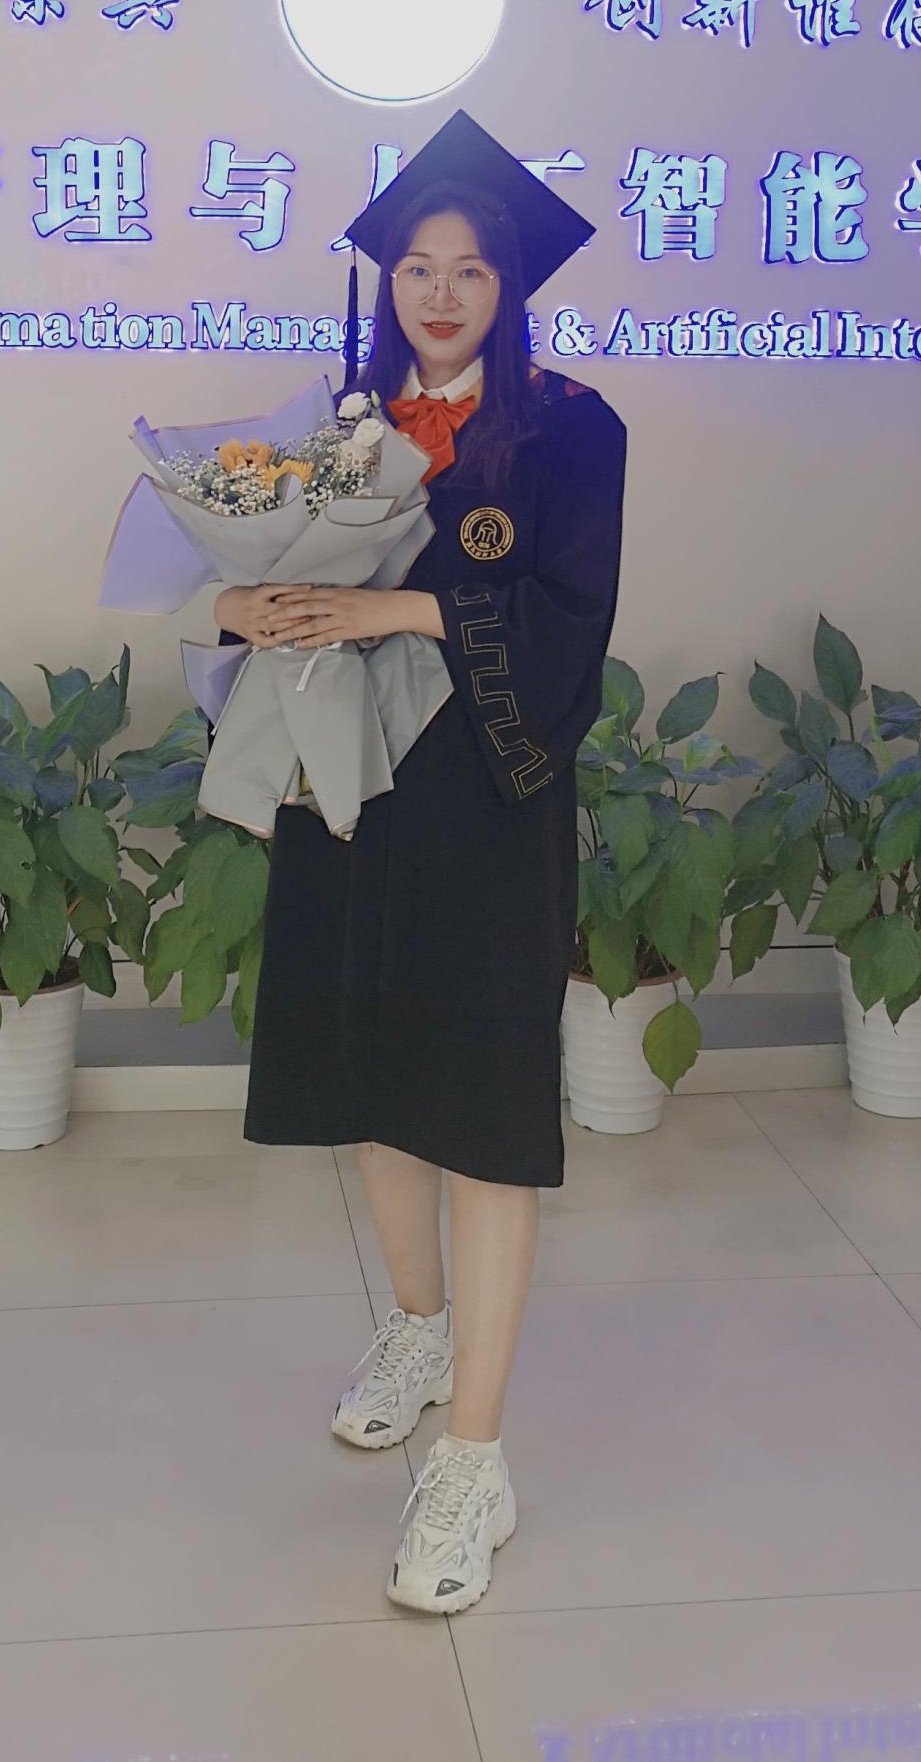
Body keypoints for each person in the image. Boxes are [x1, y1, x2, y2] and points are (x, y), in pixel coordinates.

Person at [210, 108, 628, 1614]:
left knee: (485, 1112)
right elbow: (264, 578)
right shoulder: (343, 423)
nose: (439, 295)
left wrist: (392, 609)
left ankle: (475, 1461)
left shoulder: (573, 427)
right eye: (415, 268)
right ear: (386, 281)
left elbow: (571, 624)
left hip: (486, 799)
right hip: (352, 788)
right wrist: (246, 607)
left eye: (470, 270)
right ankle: (419, 1327)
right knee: (376, 1071)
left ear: (510, 285)